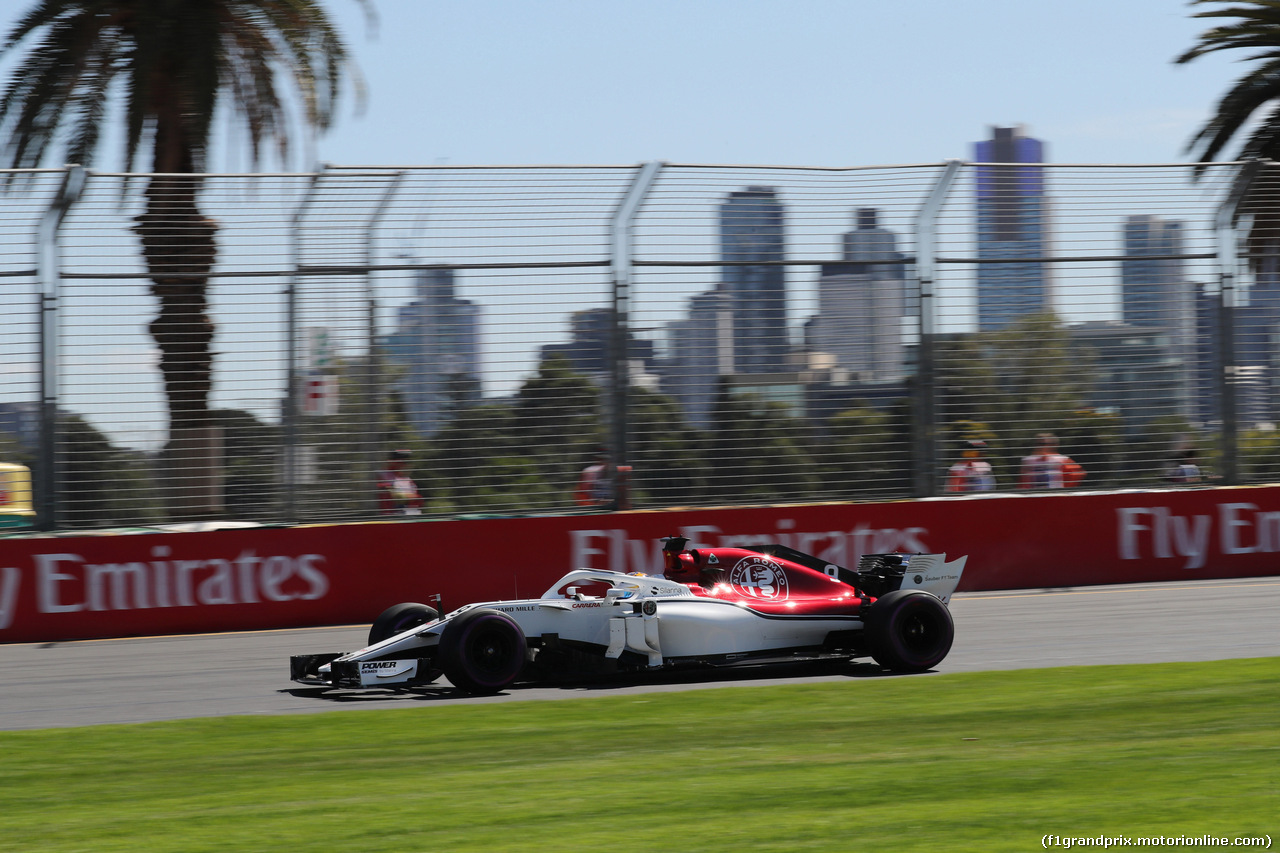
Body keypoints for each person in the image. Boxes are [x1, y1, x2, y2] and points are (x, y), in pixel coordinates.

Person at [1019, 432, 1084, 489]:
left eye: (1043, 444)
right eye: (1037, 444)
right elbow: (1023, 483)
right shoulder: (1028, 461)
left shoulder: (1062, 460)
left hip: (1055, 497)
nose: (1040, 447)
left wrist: (1065, 490)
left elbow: (1077, 474)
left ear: (1053, 445)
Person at [377, 449, 423, 516]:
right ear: (391, 461)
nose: (405, 464)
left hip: (408, 517)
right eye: (402, 461)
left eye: (407, 461)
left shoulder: (408, 481)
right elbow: (386, 491)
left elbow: (416, 500)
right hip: (390, 518)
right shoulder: (383, 475)